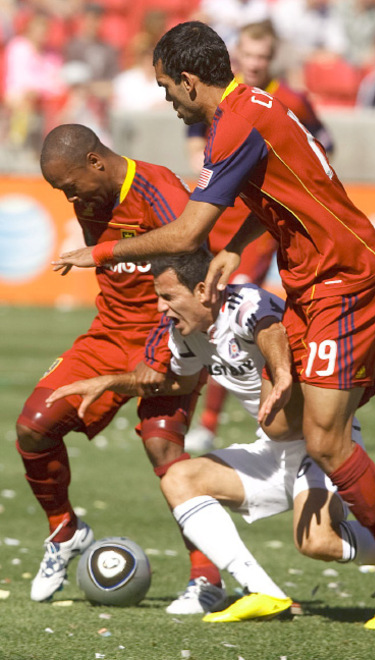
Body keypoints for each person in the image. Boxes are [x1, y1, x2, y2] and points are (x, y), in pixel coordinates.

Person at [53, 21, 375, 630]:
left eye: (167, 88)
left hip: (344, 279)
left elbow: (186, 233)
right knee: (304, 417)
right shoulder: (254, 109)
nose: (167, 101)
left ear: (190, 80)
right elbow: (288, 188)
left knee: (327, 440)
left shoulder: (235, 126)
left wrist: (95, 253)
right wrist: (245, 242)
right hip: (316, 275)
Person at [47, 249, 375, 623]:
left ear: (203, 291)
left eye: (167, 297)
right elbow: (177, 384)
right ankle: (263, 592)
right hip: (276, 446)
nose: (161, 307)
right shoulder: (183, 333)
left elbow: (273, 330)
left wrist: (280, 374)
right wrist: (108, 382)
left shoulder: (242, 303)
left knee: (316, 539)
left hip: (321, 440)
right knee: (179, 478)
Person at [16, 124, 222, 607]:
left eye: (69, 186)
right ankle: (65, 531)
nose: (68, 198)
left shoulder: (159, 190)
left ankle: (207, 581)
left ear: (96, 163)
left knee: (163, 448)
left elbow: (194, 255)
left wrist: (165, 344)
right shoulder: (87, 193)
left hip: (166, 333)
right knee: (32, 427)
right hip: (107, 336)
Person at [185, 19, 335, 453]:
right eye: (247, 56)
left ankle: (213, 421)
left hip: (258, 223)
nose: (254, 64)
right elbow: (197, 142)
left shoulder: (286, 100)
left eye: (262, 57)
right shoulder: (220, 97)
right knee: (200, 310)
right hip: (216, 213)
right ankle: (212, 414)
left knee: (229, 306)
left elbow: (322, 143)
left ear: (272, 59)